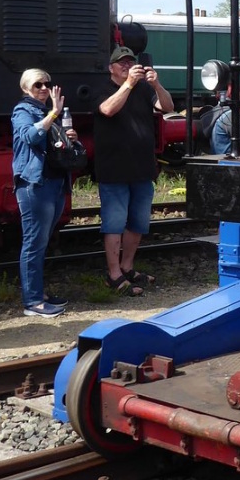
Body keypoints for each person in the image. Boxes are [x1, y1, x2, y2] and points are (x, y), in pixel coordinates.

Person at [95, 45, 173, 296]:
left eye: (131, 62)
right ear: (111, 68)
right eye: (122, 63)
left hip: (142, 168)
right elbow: (108, 110)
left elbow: (168, 107)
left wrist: (156, 85)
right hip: (114, 169)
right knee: (114, 224)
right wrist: (128, 84)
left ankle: (127, 267)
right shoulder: (103, 88)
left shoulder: (143, 89)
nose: (127, 66)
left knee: (138, 222)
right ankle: (113, 274)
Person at [11, 69, 74, 318]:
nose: (44, 88)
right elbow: (30, 136)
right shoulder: (22, 111)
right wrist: (54, 114)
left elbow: (52, 143)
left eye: (47, 84)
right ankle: (33, 302)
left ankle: (39, 293)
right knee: (34, 242)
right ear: (26, 88)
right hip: (35, 184)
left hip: (54, 182)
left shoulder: (46, 112)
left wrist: (68, 137)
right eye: (38, 84)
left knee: (42, 241)